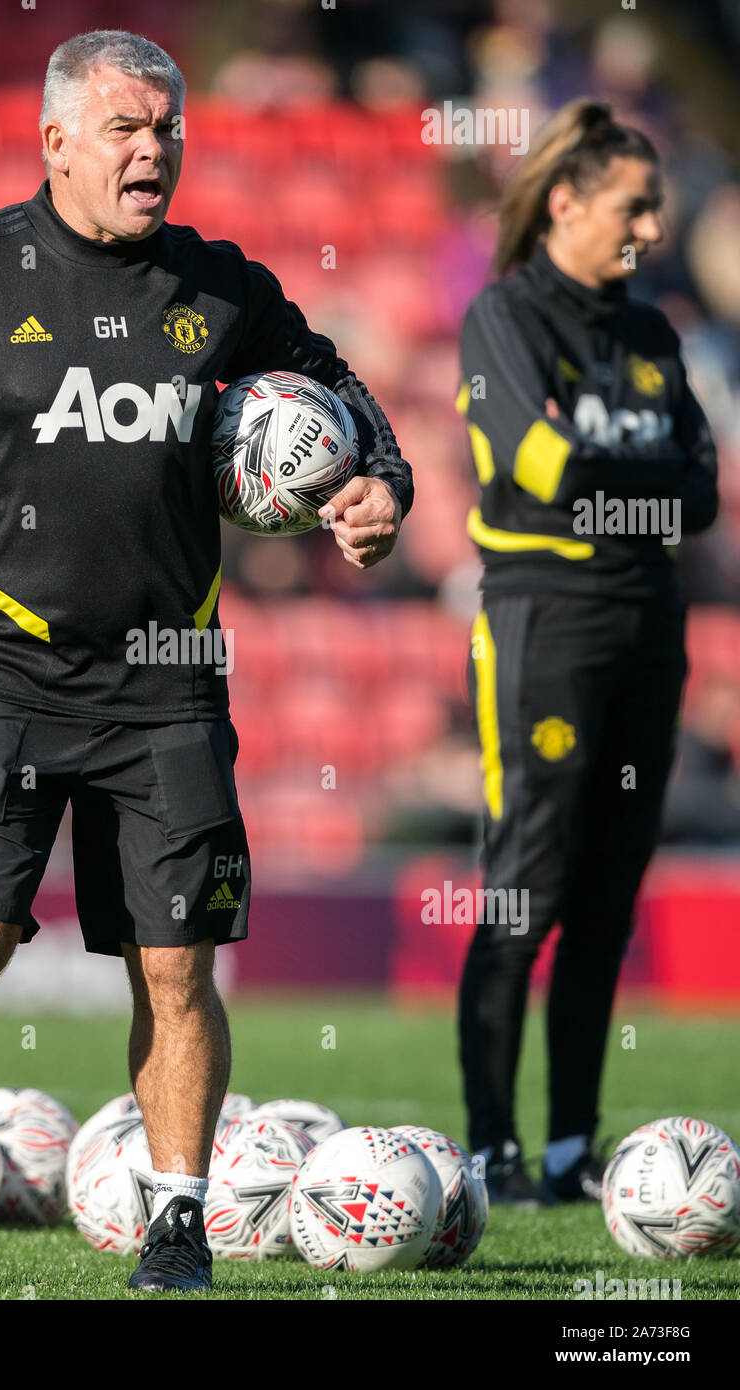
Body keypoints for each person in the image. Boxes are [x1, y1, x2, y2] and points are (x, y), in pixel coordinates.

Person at [0, 28, 412, 1292]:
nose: (152, 151)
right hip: (2, 677)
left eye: (168, 129)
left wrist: (381, 485)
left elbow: (341, 392)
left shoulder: (222, 287)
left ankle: (176, 1220)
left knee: (176, 964)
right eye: (126, 128)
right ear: (57, 140)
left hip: (168, 684)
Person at [456, 99, 718, 1204]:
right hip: (544, 623)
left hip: (650, 624)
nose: (652, 229)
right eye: (634, 207)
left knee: (608, 898)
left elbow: (703, 496)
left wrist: (611, 483)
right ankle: (491, 1150)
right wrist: (636, 487)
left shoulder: (651, 334)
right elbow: (539, 463)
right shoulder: (504, 318)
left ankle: (569, 1151)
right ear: (565, 202)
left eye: (656, 209)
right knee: (527, 885)